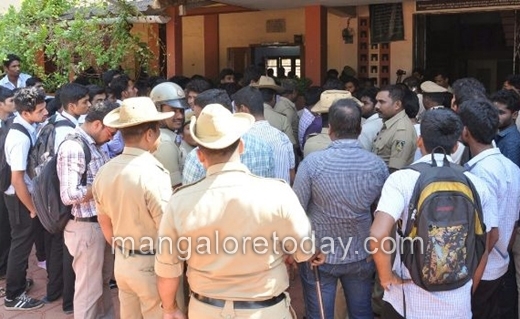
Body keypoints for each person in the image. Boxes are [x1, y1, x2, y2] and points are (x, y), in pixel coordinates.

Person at [155, 103, 325, 318]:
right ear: (241, 147)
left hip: (206, 309)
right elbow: (304, 251)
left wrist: (169, 308)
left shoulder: (179, 201)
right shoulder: (277, 192)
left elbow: (167, 268)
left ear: (200, 156)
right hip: (265, 310)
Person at [369, 108, 497, 318]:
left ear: (420, 141)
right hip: (458, 304)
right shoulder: (477, 184)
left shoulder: (401, 180)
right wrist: (468, 288)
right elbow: (487, 241)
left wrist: (385, 277)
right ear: (456, 144)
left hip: (407, 301)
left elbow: (377, 234)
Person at [294, 99, 388, 319]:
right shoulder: (377, 165)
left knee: (320, 313)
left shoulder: (312, 164)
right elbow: (383, 213)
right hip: (361, 252)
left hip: (320, 253)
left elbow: (296, 208)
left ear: (330, 129)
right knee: (361, 311)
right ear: (360, 128)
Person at [93, 97, 182, 319]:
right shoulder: (152, 172)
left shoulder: (105, 171)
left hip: (123, 261)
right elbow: (167, 231)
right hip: (152, 264)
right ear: (150, 134)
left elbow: (105, 224)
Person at [458, 99, 520, 319]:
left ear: (466, 131)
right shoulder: (510, 166)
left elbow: (489, 234)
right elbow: (513, 224)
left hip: (481, 271)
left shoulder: (479, 173)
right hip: (499, 263)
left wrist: (472, 281)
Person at [58, 101, 118, 318]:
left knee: (101, 282)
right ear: (98, 124)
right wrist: (101, 186)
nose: (112, 137)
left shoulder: (94, 144)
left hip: (98, 225)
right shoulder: (74, 147)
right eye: (111, 132)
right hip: (85, 227)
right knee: (88, 290)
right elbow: (68, 195)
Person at [3, 87, 48, 310]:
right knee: (21, 245)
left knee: (20, 243)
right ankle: (13, 295)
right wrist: (31, 208)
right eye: (40, 110)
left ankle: (18, 283)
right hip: (20, 198)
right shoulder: (19, 137)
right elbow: (17, 179)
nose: (45, 113)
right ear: (26, 113)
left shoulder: (26, 126)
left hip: (23, 196)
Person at [150, 82, 189, 189]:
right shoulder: (164, 141)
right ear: (158, 109)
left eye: (181, 110)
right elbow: (175, 188)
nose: (180, 116)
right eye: (173, 110)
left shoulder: (166, 135)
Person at [372, 85, 417, 172]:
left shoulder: (401, 131)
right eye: (376, 101)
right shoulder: (390, 123)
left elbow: (395, 170)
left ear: (397, 105)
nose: (376, 106)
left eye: (382, 102)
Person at [491, 89, 520, 168]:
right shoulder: (499, 135)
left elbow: (512, 176)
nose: (496, 116)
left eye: (501, 113)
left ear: (514, 115)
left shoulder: (511, 143)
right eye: (494, 111)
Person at [358, 87, 382, 151]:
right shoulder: (385, 119)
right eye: (360, 102)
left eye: (365, 103)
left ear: (376, 105)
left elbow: (363, 153)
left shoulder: (366, 128)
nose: (361, 105)